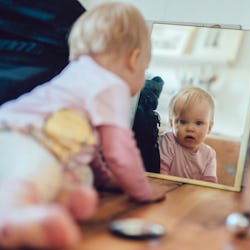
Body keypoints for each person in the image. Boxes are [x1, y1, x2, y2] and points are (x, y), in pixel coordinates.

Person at [0, 3, 164, 249]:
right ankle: (10, 219)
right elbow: (119, 150)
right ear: (133, 59)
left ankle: (58, 201)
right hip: (23, 140)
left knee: (77, 174)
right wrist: (142, 191)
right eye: (145, 68)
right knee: (43, 166)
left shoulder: (77, 74)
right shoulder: (111, 85)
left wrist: (103, 179)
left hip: (11, 133)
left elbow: (85, 147)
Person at [159, 86, 218, 183]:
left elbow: (210, 184)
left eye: (198, 123)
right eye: (183, 122)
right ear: (171, 123)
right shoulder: (168, 141)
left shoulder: (209, 155)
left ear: (210, 127)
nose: (190, 128)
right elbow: (160, 175)